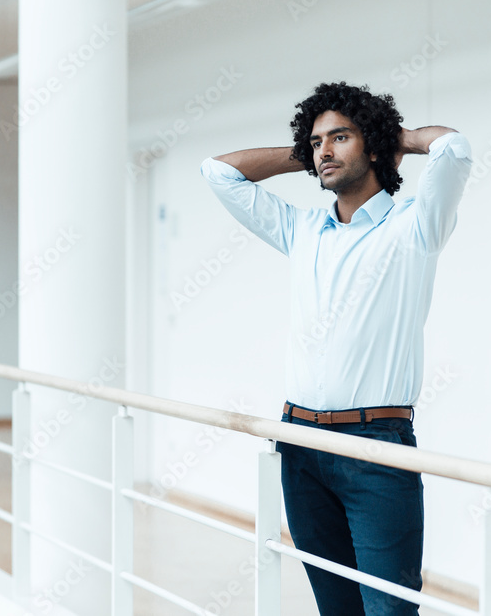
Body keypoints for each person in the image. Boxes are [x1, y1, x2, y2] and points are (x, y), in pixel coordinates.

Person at [200, 81, 472, 616]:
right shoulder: (303, 230)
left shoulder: (414, 225)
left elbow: (453, 148)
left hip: (376, 446)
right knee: (336, 608)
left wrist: (398, 138)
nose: (324, 150)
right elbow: (219, 172)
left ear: (373, 145)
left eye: (340, 137)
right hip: (298, 443)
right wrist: (306, 153)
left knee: (389, 610)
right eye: (316, 140)